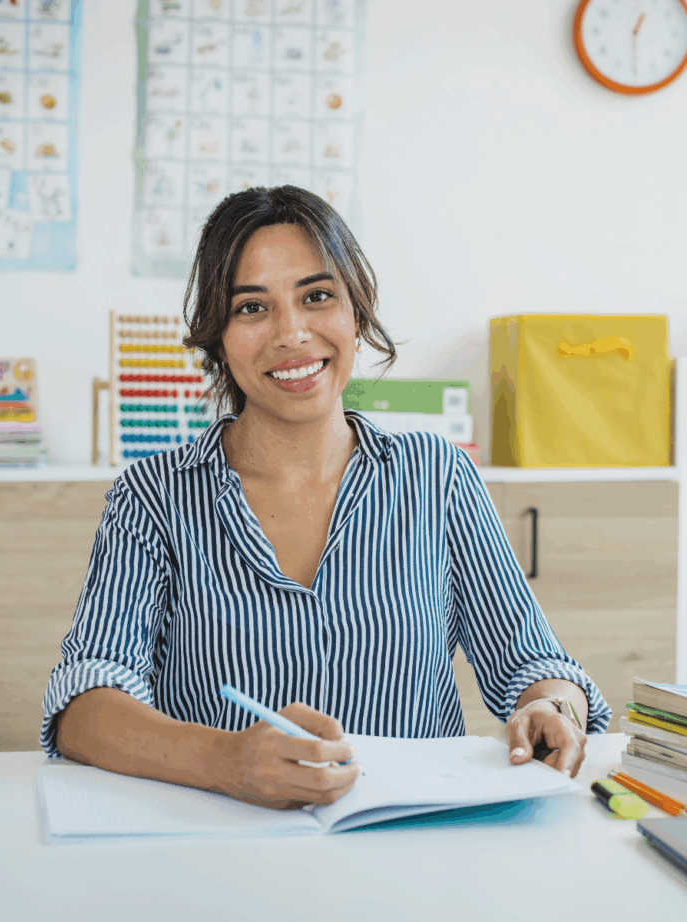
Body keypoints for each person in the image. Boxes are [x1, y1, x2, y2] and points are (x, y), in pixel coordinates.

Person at [42, 185, 611, 811]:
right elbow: (84, 708)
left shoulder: (437, 476)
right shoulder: (152, 497)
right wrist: (225, 760)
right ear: (219, 338)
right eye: (252, 308)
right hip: (224, 847)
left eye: (317, 297)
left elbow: (531, 660)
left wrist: (550, 707)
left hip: (411, 846)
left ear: (356, 315)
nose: (292, 333)